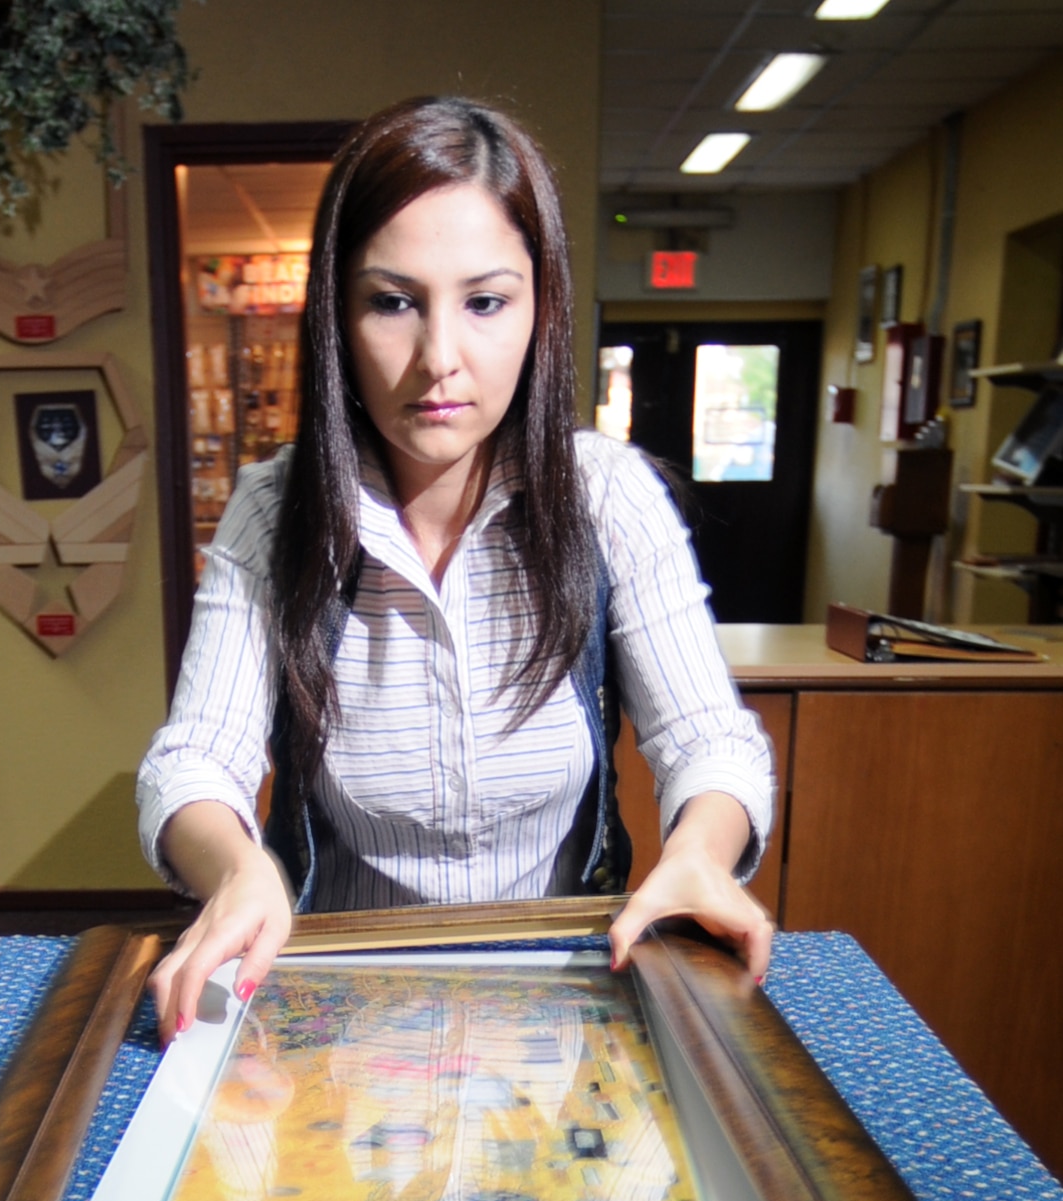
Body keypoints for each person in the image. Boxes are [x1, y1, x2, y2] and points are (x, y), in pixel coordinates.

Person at [138, 96, 774, 1042]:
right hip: (338, 998)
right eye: (392, 302)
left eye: (485, 302)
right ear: (337, 316)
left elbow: (711, 742)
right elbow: (193, 759)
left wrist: (699, 851)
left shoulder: (609, 497)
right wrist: (237, 868)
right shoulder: (275, 511)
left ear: (539, 308)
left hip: (560, 997)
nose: (440, 358)